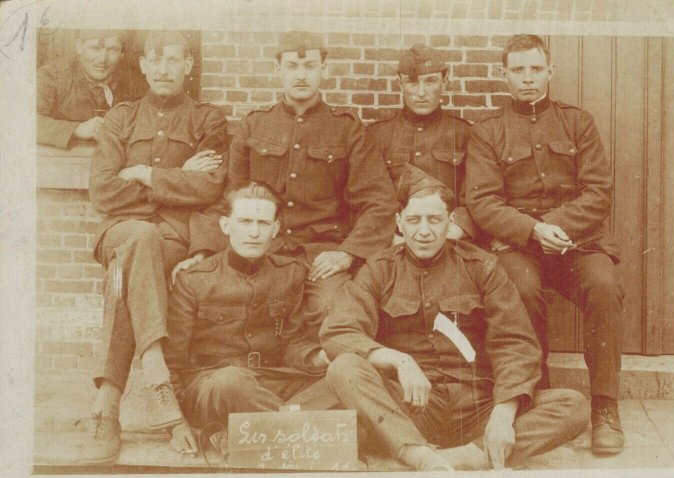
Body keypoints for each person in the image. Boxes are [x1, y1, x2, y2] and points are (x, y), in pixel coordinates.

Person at [320, 167, 589, 471]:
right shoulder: (380, 269)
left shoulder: (481, 266)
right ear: (399, 224)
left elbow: (515, 342)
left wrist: (503, 414)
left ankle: (459, 457)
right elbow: (339, 331)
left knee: (573, 406)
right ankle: (420, 456)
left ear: (450, 222)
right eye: (413, 220)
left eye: (434, 220)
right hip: (413, 410)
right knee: (344, 367)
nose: (424, 231)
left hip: (478, 408)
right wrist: (399, 360)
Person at [464, 34, 626, 454]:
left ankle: (605, 406)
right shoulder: (488, 131)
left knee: (605, 287)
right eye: (518, 71)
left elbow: (598, 191)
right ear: (504, 76)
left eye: (536, 69)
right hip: (518, 246)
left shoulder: (577, 122)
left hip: (578, 244)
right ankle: (541, 397)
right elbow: (481, 200)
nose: (528, 79)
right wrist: (533, 231)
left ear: (550, 72)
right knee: (519, 290)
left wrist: (556, 226)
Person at [178, 31, 396, 331]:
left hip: (320, 257)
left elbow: (378, 201)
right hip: (262, 253)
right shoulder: (254, 125)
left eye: (309, 65)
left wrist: (347, 253)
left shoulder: (347, 129)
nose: (301, 75)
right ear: (278, 69)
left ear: (324, 69)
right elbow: (227, 196)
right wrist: (202, 252)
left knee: (336, 316)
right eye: (292, 66)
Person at [83, 30, 228, 464]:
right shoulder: (122, 118)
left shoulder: (209, 120)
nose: (164, 68)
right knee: (138, 241)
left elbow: (212, 187)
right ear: (143, 65)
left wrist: (145, 173)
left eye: (174, 60)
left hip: (172, 238)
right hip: (121, 230)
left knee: (125, 274)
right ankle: (157, 374)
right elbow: (103, 192)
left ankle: (108, 405)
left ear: (189, 67)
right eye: (155, 59)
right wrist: (176, 178)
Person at [165, 182, 337, 456]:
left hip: (271, 380)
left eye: (263, 223)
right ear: (225, 225)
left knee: (342, 378)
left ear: (276, 229)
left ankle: (251, 433)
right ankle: (302, 431)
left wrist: (319, 358)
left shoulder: (290, 273)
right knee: (233, 382)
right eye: (244, 221)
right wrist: (176, 424)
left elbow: (293, 342)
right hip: (213, 386)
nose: (254, 233)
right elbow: (172, 361)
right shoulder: (194, 280)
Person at [367, 44, 475, 242]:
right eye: (412, 82)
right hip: (393, 241)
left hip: (450, 239)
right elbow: (367, 198)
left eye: (431, 81)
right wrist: (388, 236)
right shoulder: (376, 136)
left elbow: (473, 195)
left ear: (445, 82)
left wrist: (458, 228)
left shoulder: (464, 134)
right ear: (400, 84)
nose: (421, 92)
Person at [37, 29, 134, 148]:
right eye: (94, 49)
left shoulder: (135, 80)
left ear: (122, 52)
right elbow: (26, 122)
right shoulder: (51, 76)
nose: (102, 59)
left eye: (112, 50)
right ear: (79, 46)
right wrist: (77, 129)